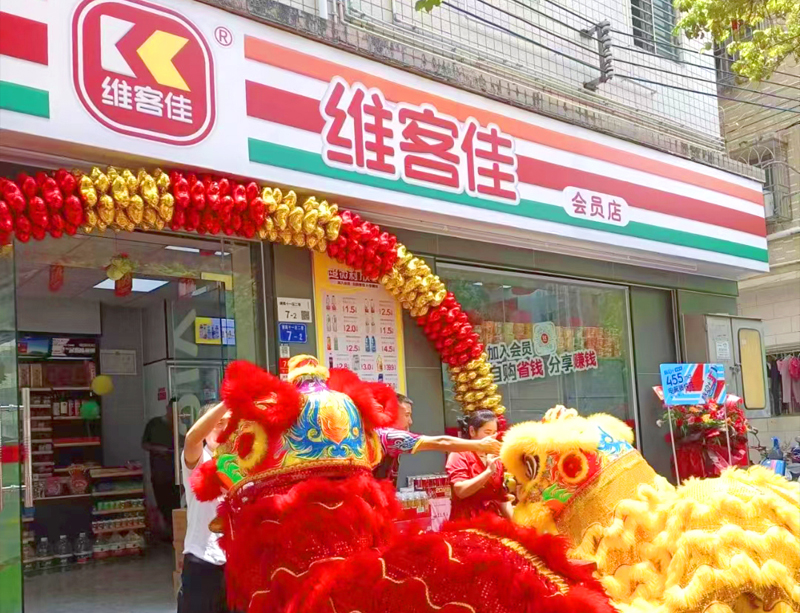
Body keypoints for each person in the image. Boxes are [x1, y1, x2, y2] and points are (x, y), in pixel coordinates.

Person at [372, 393, 502, 488]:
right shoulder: (388, 436)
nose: (410, 421)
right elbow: (441, 442)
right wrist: (479, 445)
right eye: (407, 415)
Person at [178, 401, 230, 613]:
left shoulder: (245, 462)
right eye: (219, 423)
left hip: (237, 564)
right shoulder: (200, 459)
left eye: (230, 423)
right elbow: (192, 439)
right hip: (203, 559)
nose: (225, 429)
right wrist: (230, 400)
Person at [445, 409, 511, 521]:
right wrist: (488, 472)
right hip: (467, 521)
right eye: (487, 433)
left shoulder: (495, 458)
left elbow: (501, 498)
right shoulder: (459, 454)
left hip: (492, 521)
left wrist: (516, 525)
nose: (492, 438)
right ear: (472, 431)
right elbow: (460, 491)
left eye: (494, 433)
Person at [142, 397, 183, 538]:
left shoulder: (180, 426)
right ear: (168, 408)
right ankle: (168, 533)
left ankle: (176, 534)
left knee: (177, 504)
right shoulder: (154, 424)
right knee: (163, 503)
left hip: (177, 473)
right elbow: (144, 444)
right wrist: (158, 449)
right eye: (173, 410)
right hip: (160, 472)